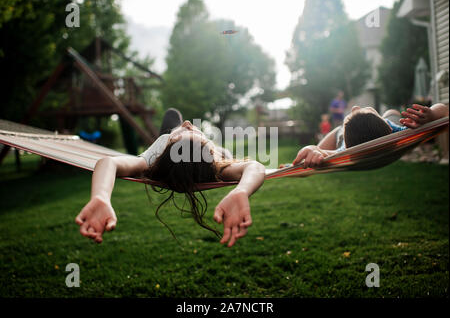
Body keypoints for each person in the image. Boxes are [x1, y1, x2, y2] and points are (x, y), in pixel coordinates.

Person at [75, 109, 266, 247]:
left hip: (172, 144)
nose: (188, 124)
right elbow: (255, 167)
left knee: (172, 117)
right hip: (205, 154)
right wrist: (241, 190)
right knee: (184, 126)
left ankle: (172, 132)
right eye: (198, 135)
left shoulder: (151, 158)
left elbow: (109, 162)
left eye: (188, 131)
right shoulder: (217, 164)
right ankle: (180, 135)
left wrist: (100, 196)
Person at [292, 103, 449, 168]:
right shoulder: (401, 134)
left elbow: (323, 154)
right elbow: (444, 110)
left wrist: (313, 150)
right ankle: (389, 114)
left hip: (340, 133)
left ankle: (389, 114)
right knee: (393, 114)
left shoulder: (343, 150)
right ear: (386, 124)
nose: (354, 107)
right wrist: (432, 115)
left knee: (391, 114)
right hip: (386, 124)